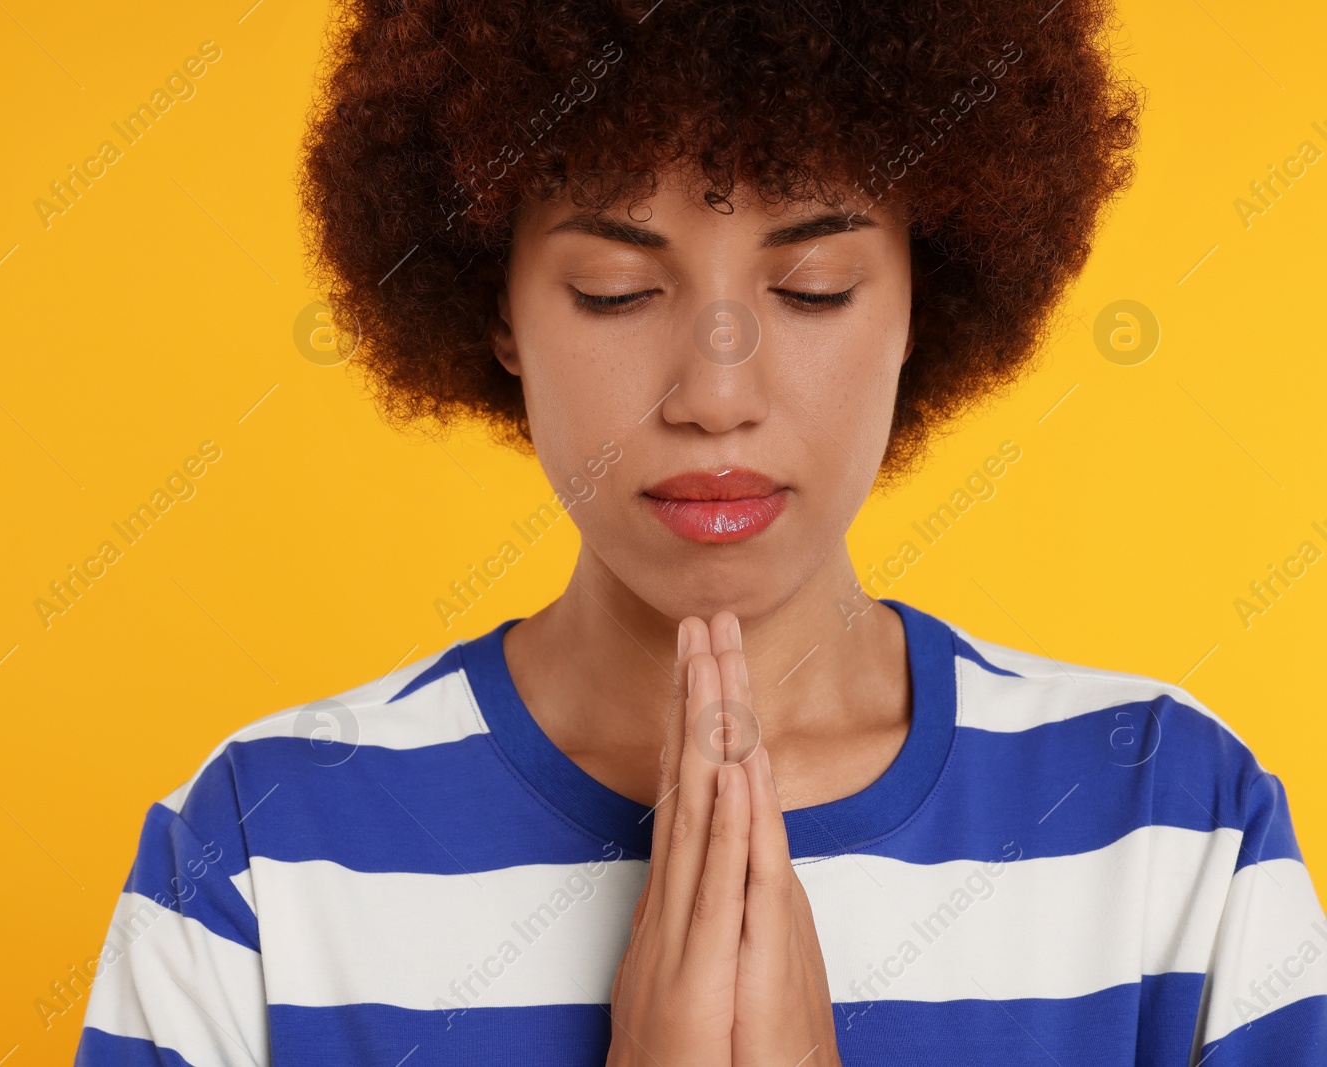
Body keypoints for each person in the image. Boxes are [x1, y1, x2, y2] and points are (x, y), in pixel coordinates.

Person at [73, 1, 1327, 1063]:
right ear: (496, 308)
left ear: (920, 297)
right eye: (614, 291)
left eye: (811, 287)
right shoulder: (255, 857)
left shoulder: (1175, 827)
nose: (716, 390)